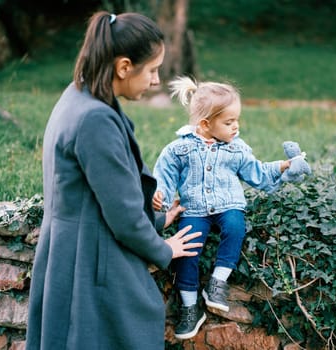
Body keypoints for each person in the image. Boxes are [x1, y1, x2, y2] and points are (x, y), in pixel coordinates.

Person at [26, 12, 203, 350]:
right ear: (124, 67)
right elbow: (122, 216)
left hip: (68, 250)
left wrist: (158, 217)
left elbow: (98, 192)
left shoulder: (79, 95)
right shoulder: (95, 119)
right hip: (89, 262)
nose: (155, 80)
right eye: (151, 70)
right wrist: (164, 248)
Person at [153, 76, 291, 340]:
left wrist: (281, 167)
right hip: (194, 208)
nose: (236, 127)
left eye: (237, 120)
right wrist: (160, 196)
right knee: (188, 247)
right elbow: (165, 176)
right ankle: (190, 306)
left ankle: (218, 281)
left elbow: (257, 172)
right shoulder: (179, 149)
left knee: (235, 226)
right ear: (205, 124)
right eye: (229, 122)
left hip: (228, 204)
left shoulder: (235, 149)